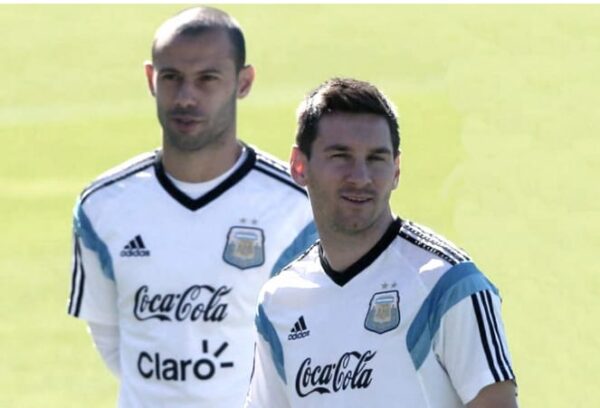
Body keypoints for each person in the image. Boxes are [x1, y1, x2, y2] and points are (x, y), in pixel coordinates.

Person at [67, 6, 316, 408]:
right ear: (151, 79)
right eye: (172, 78)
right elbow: (110, 336)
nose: (186, 97)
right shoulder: (103, 206)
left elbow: (314, 340)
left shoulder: (297, 207)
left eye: (207, 79)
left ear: (243, 82)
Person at [245, 78, 518, 408]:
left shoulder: (447, 285)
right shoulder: (279, 301)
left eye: (376, 158)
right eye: (341, 156)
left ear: (396, 170)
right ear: (300, 166)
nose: (360, 177)